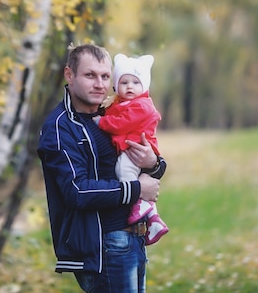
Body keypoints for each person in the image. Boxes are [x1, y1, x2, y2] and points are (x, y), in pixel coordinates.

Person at [37, 44, 167, 293]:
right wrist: (137, 189)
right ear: (69, 75)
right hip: (105, 244)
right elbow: (76, 191)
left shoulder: (113, 115)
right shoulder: (61, 127)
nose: (99, 84)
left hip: (134, 238)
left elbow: (146, 161)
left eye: (105, 76)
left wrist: (154, 164)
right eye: (90, 75)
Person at [94, 53, 169, 245]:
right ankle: (152, 218)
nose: (129, 87)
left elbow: (121, 123)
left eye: (135, 83)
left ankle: (139, 202)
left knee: (124, 170)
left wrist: (102, 121)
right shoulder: (121, 103)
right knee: (126, 171)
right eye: (124, 82)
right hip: (132, 147)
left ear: (144, 86)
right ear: (116, 85)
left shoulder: (141, 105)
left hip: (136, 148)